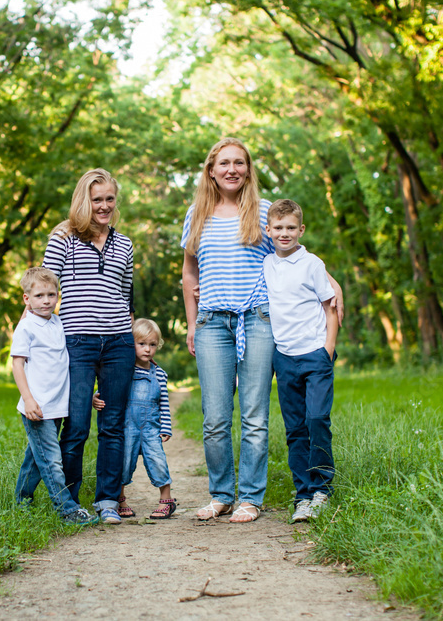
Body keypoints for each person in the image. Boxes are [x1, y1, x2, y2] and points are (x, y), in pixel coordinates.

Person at [181, 137, 342, 524]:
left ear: (248, 170)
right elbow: (189, 272)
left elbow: (294, 254)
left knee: (254, 416)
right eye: (224, 163)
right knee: (214, 418)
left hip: (258, 320)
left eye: (239, 162)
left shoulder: (264, 210)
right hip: (212, 323)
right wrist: (191, 322)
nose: (232, 169)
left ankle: (250, 497)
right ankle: (221, 495)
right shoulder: (196, 214)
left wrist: (332, 286)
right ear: (211, 170)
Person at [43, 168, 135, 525]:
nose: (104, 206)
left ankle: (108, 500)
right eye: (97, 199)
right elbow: (44, 289)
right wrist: (29, 343)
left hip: (118, 342)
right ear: (84, 201)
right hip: (76, 343)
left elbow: (125, 296)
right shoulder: (63, 239)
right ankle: (69, 502)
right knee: (77, 425)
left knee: (112, 425)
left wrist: (131, 339)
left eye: (110, 199)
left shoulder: (125, 244)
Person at [261, 199, 338, 523]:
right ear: (268, 230)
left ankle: (322, 489)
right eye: (278, 228)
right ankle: (303, 495)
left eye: (291, 227)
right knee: (295, 429)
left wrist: (328, 349)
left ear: (301, 229)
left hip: (315, 354)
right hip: (284, 357)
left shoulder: (313, 264)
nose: (285, 233)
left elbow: (330, 307)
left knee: (317, 419)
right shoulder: (266, 263)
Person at [11, 267, 98, 526]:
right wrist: (28, 399)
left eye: (51, 294)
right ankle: (67, 510)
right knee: (51, 460)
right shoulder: (26, 327)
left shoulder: (58, 322)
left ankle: (21, 502)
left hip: (57, 405)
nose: (46, 300)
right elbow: (17, 364)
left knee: (35, 459)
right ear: (27, 299)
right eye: (39, 296)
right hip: (37, 406)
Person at [93, 319, 176, 520]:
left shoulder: (160, 374)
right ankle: (120, 500)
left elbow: (164, 402)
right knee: (123, 463)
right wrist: (95, 397)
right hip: (127, 427)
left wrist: (166, 426)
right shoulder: (123, 371)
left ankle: (166, 500)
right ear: (131, 343)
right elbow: (110, 392)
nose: (147, 349)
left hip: (151, 428)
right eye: (142, 344)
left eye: (152, 344)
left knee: (157, 461)